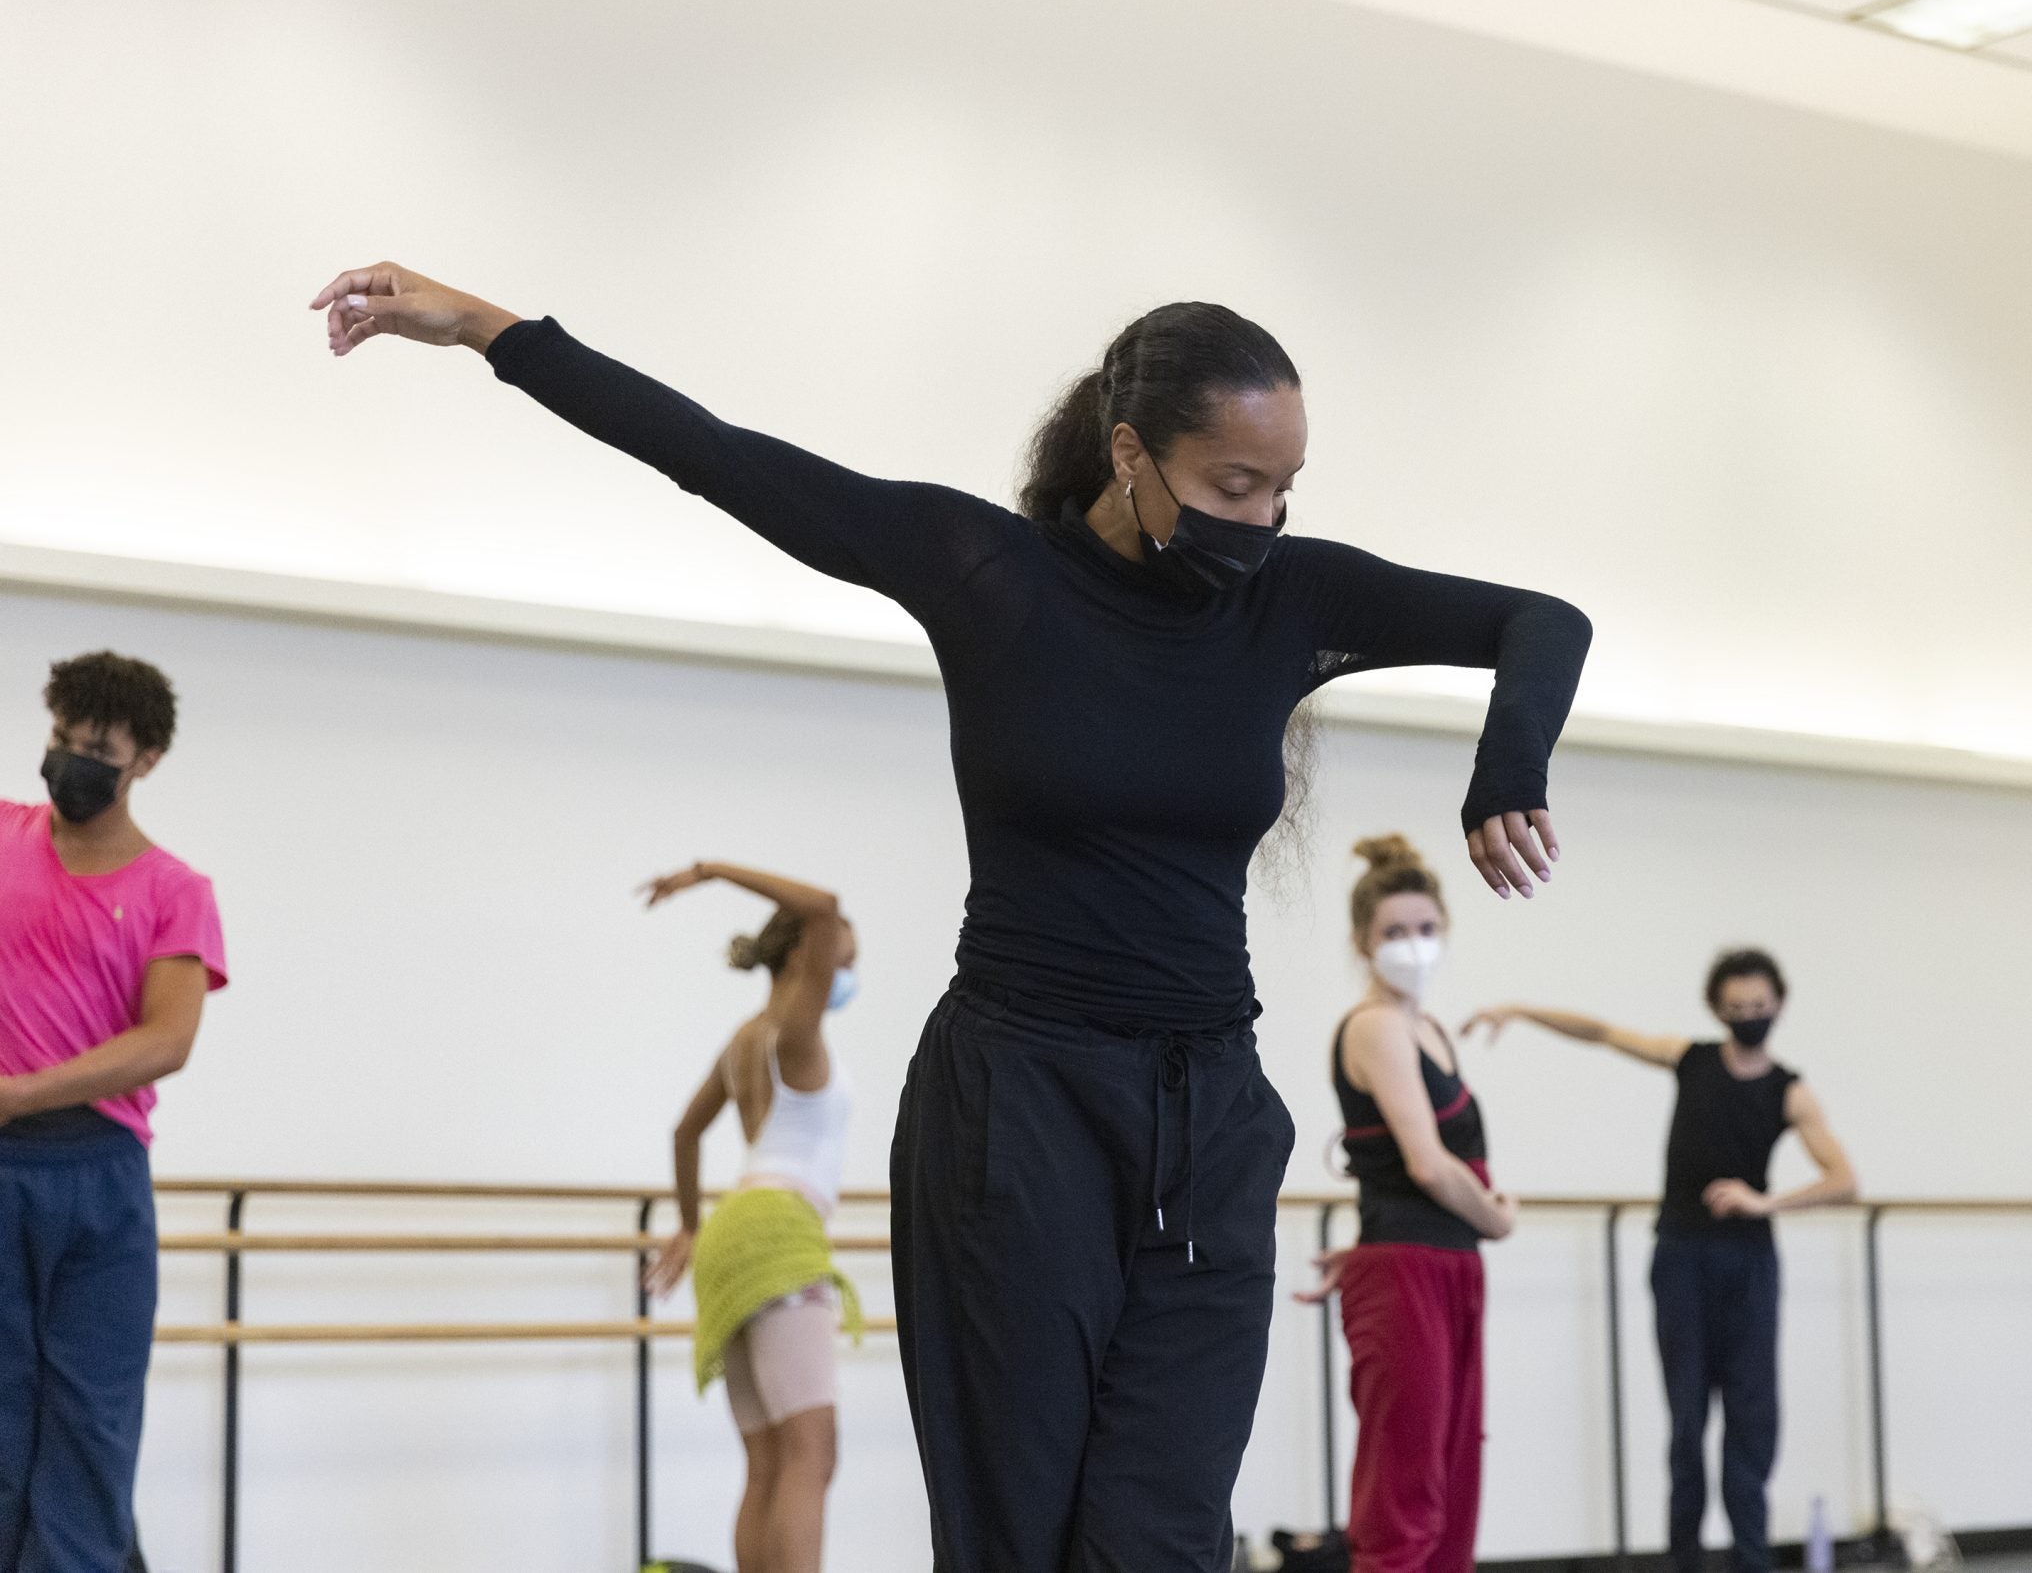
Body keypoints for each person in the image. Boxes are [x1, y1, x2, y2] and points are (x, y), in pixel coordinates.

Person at [309, 263, 1590, 1571]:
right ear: (1132, 451)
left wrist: (1508, 768)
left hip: (1207, 1112)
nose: (1259, 520)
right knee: (1016, 1532)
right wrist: (484, 328)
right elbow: (720, 457)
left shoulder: (1292, 598)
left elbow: (1542, 622)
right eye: (1230, 488)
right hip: (1015, 1106)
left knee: (1161, 1532)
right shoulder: (991, 573)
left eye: (1283, 491)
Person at [1464, 947, 1856, 1573]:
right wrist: (1518, 1009)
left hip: (1749, 1265)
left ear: (1778, 1005)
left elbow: (1843, 1179)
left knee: (1751, 1419)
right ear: (1717, 1009)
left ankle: (1752, 1562)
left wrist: (1765, 1202)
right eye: (1736, 1008)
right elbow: (1600, 1032)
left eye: (1759, 1006)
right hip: (1681, 1258)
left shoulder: (1791, 1091)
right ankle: (1685, 1561)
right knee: (1687, 1421)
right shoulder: (1691, 1060)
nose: (1749, 1015)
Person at [0, 652, 227, 1573]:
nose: (69, 762)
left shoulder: (175, 891)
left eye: (96, 748)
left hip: (98, 1177)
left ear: (147, 760)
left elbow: (164, 1039)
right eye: (60, 739)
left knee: (90, 1417)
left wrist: (18, 1093)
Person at [1297, 836, 1516, 1573]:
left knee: (1453, 1491)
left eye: (1425, 929)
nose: (1413, 945)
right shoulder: (1377, 1026)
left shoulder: (1429, 1028)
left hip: (1444, 1266)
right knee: (1405, 1499)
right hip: (1411, 1272)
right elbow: (1425, 1163)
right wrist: (1495, 1215)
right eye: (1394, 932)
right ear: (1363, 941)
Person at [638, 861, 862, 1573]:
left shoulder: (744, 1040)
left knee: (768, 1460)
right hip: (777, 1230)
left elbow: (683, 1132)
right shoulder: (794, 1029)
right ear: (804, 951)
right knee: (812, 1452)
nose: (847, 972)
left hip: (733, 1229)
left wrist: (690, 1224)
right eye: (842, 958)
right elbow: (823, 904)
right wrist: (708, 871)